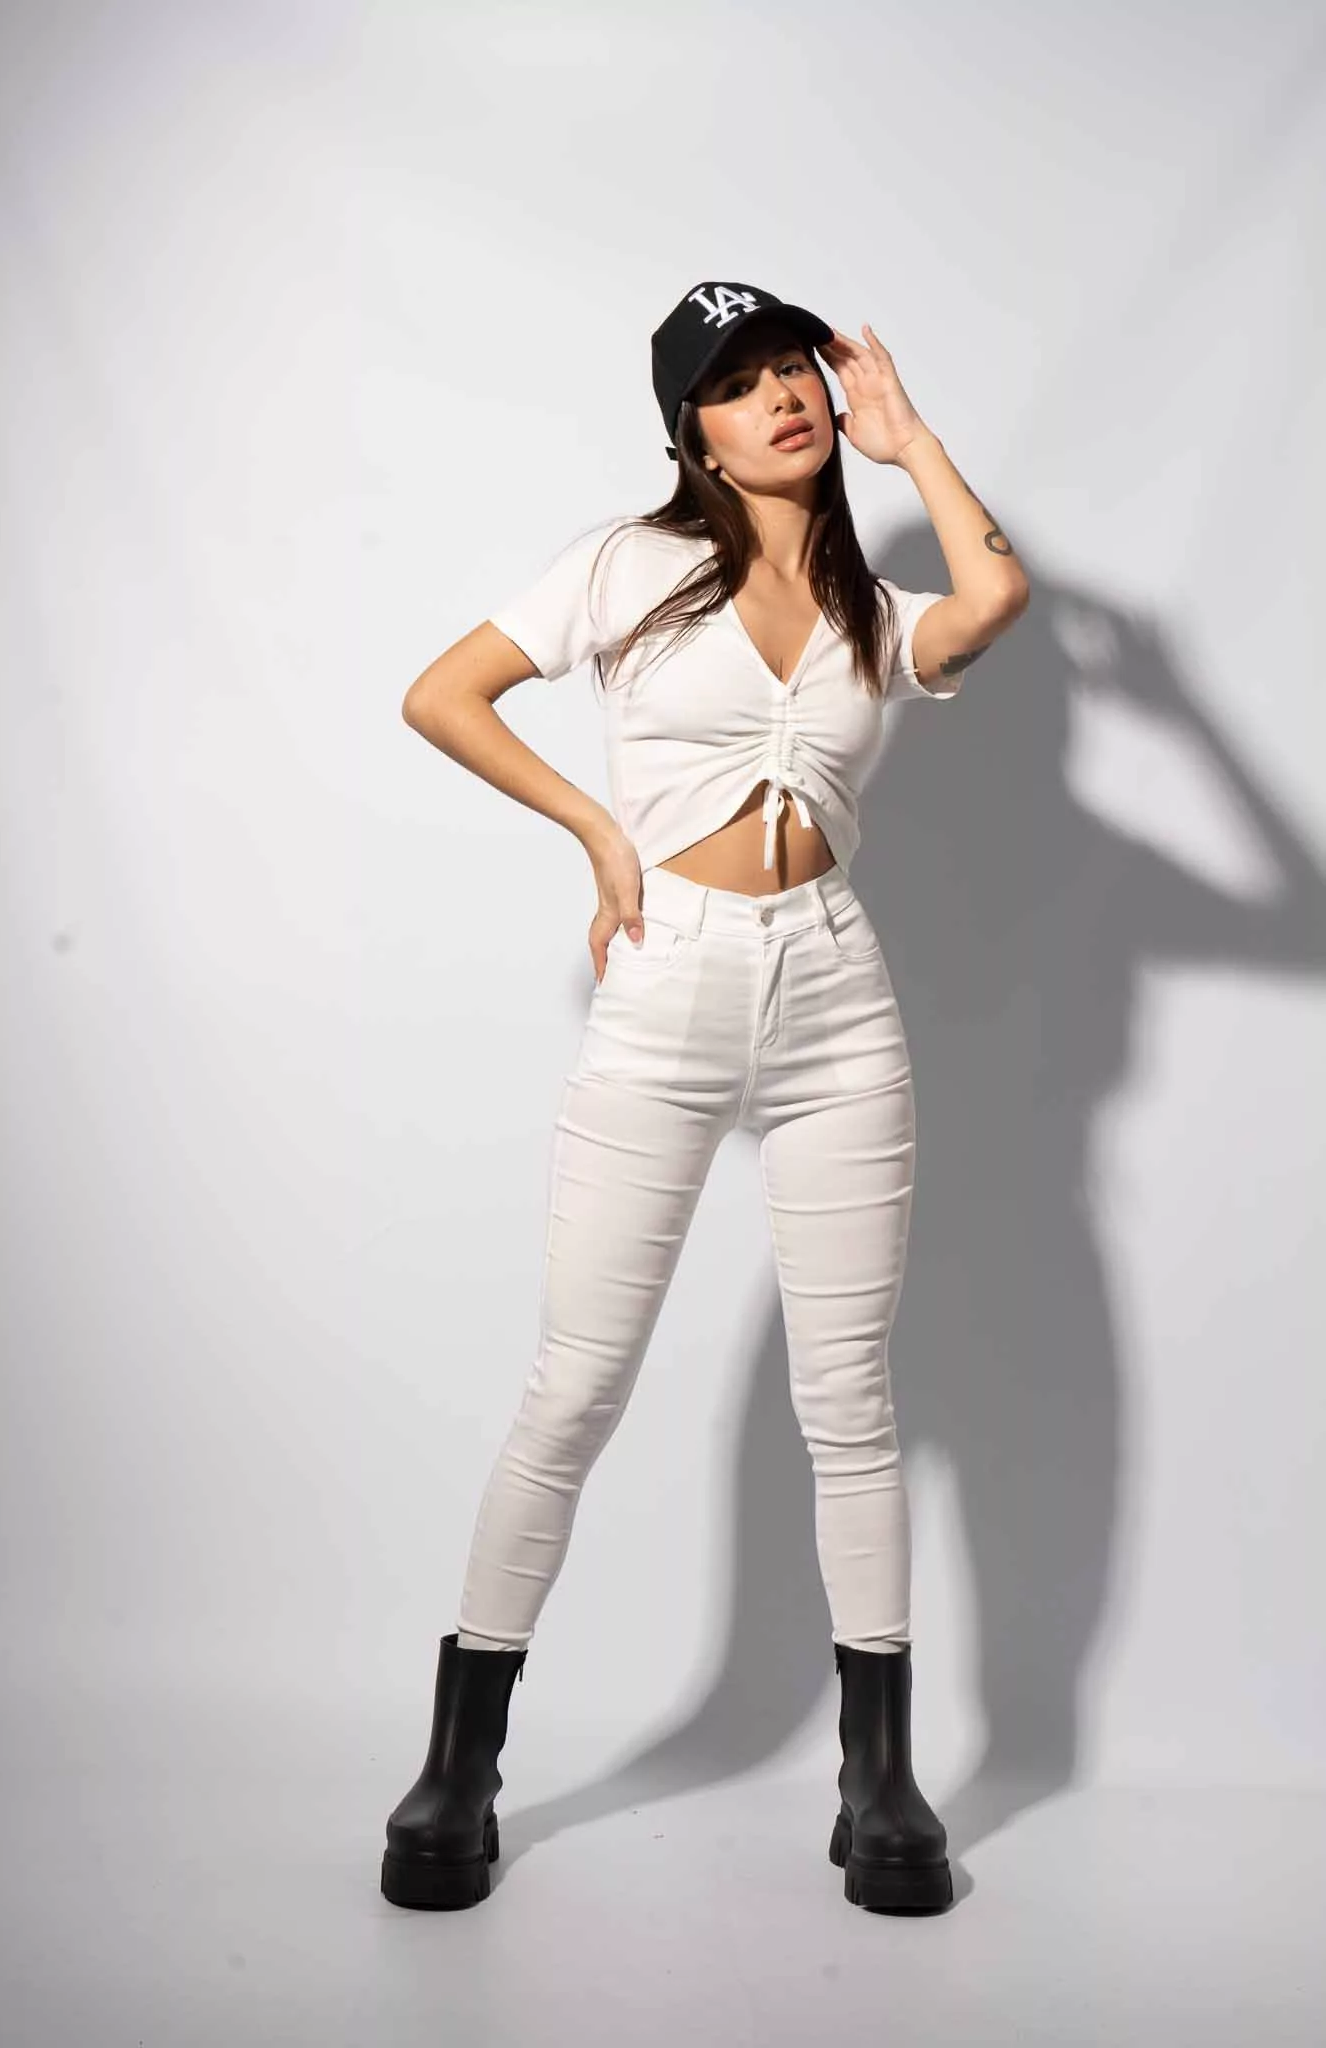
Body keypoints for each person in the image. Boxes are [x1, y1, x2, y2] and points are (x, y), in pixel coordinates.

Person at [381, 280, 1029, 1916]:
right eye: (738, 386)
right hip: (667, 983)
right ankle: (460, 1763)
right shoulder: (624, 566)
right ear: (695, 435)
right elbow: (442, 694)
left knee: (851, 1400)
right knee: (576, 1386)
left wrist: (912, 439)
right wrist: (602, 834)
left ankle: (878, 1780)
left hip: (836, 997)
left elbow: (998, 596)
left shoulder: (878, 609)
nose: (783, 398)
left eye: (794, 370)